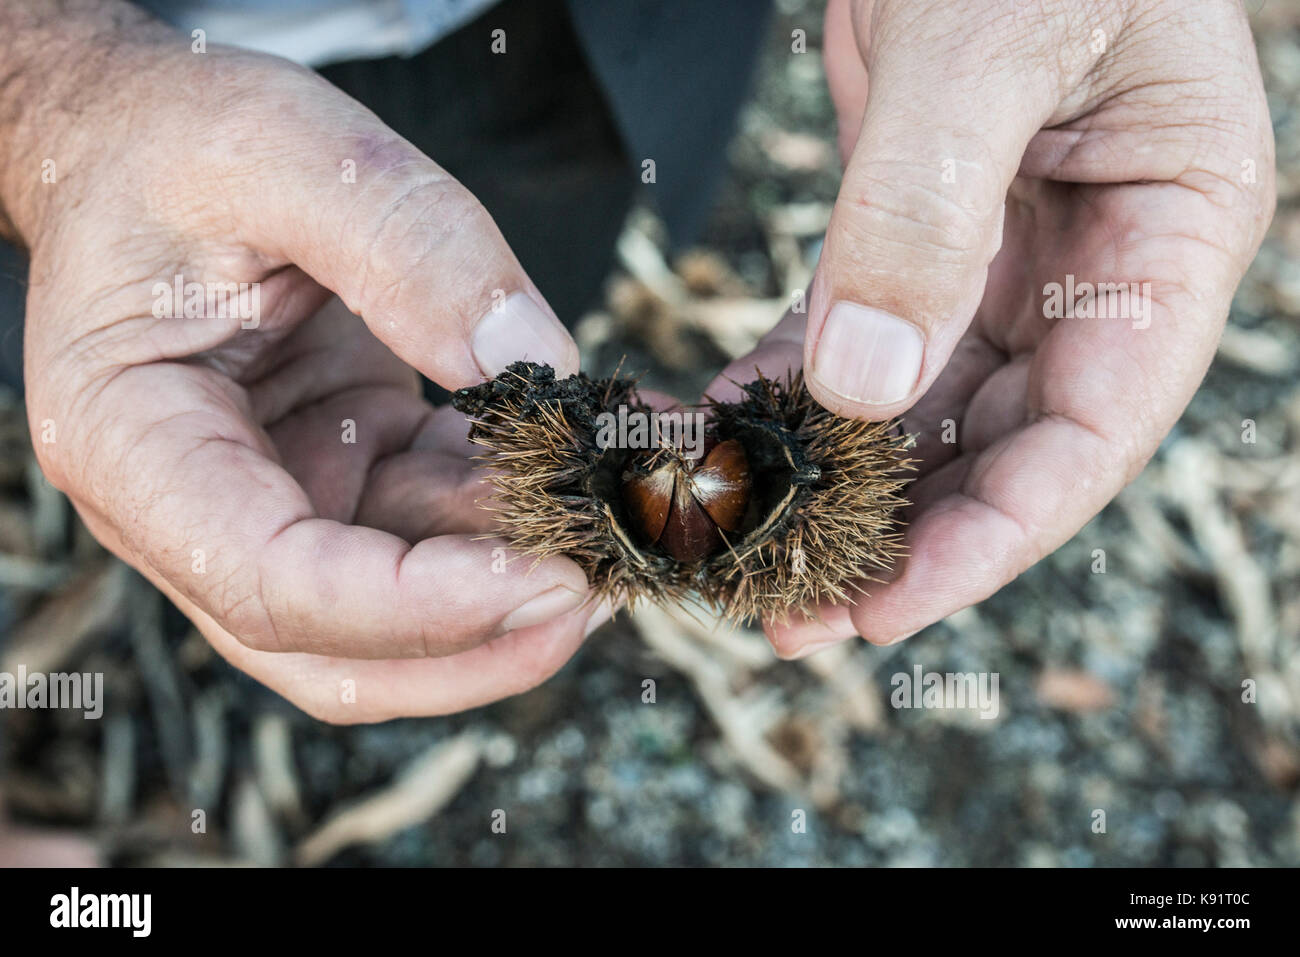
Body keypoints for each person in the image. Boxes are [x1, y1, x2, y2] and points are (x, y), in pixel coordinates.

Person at [0, 0, 1274, 724]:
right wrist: (44, 94)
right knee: (72, 337)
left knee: (518, 299)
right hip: (96, 73)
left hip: (588, 47)